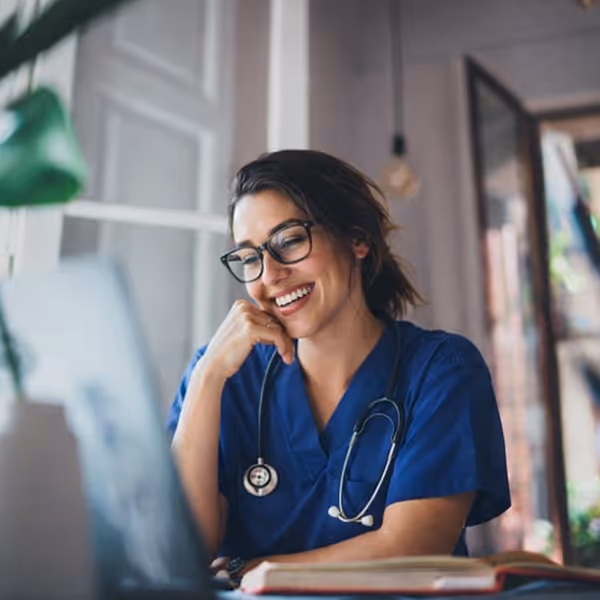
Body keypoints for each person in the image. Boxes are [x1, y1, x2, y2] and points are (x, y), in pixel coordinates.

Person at [166, 150, 510, 578]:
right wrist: (207, 378)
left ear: (357, 239)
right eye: (250, 257)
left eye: (289, 240)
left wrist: (253, 570)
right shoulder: (221, 377)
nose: (269, 275)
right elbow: (179, 554)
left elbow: (415, 548)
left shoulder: (441, 370)